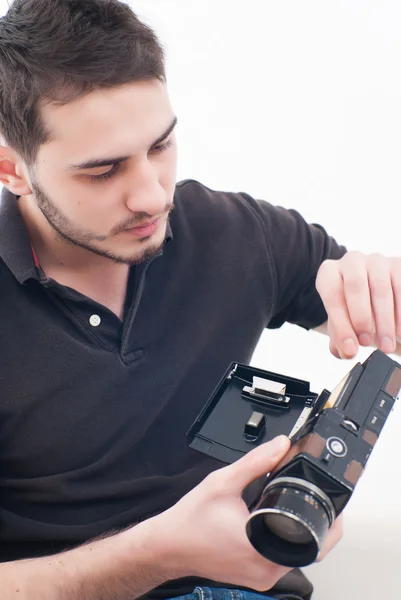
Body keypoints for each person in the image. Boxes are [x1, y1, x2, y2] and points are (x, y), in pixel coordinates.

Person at [0, 1, 399, 599]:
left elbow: (367, 293)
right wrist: (156, 554)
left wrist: (379, 283)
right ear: (13, 170)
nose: (152, 196)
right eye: (103, 171)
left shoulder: (238, 232)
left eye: (160, 146)